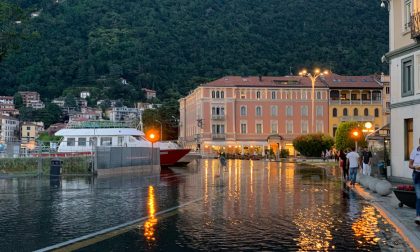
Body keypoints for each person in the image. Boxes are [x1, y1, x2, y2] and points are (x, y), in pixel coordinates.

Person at [408, 137, 420, 225]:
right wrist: (415, 167)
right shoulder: (415, 151)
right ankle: (418, 216)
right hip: (417, 174)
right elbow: (410, 165)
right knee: (419, 196)